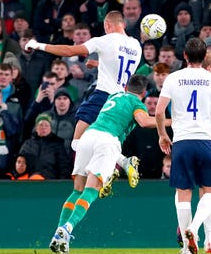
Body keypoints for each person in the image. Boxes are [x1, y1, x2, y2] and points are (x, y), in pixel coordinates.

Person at [25, 11, 142, 192]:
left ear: (107, 26)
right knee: (103, 139)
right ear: (123, 24)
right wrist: (97, 65)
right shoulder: (136, 46)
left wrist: (38, 45)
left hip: (103, 96)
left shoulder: (105, 40)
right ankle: (115, 165)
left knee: (77, 141)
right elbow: (120, 67)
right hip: (121, 100)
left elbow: (70, 50)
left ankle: (116, 167)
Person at [48, 75, 162, 254]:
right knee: (92, 189)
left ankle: (59, 234)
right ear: (144, 92)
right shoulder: (137, 104)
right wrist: (174, 121)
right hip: (108, 140)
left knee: (77, 190)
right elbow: (144, 121)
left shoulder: (114, 96)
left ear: (126, 87)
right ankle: (68, 228)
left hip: (89, 135)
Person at [155, 37, 211, 254]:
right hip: (205, 141)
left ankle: (185, 247)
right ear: (204, 56)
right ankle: (194, 229)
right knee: (210, 190)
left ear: (184, 56)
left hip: (181, 141)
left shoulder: (173, 78)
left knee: (183, 193)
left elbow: (159, 111)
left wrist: (163, 134)